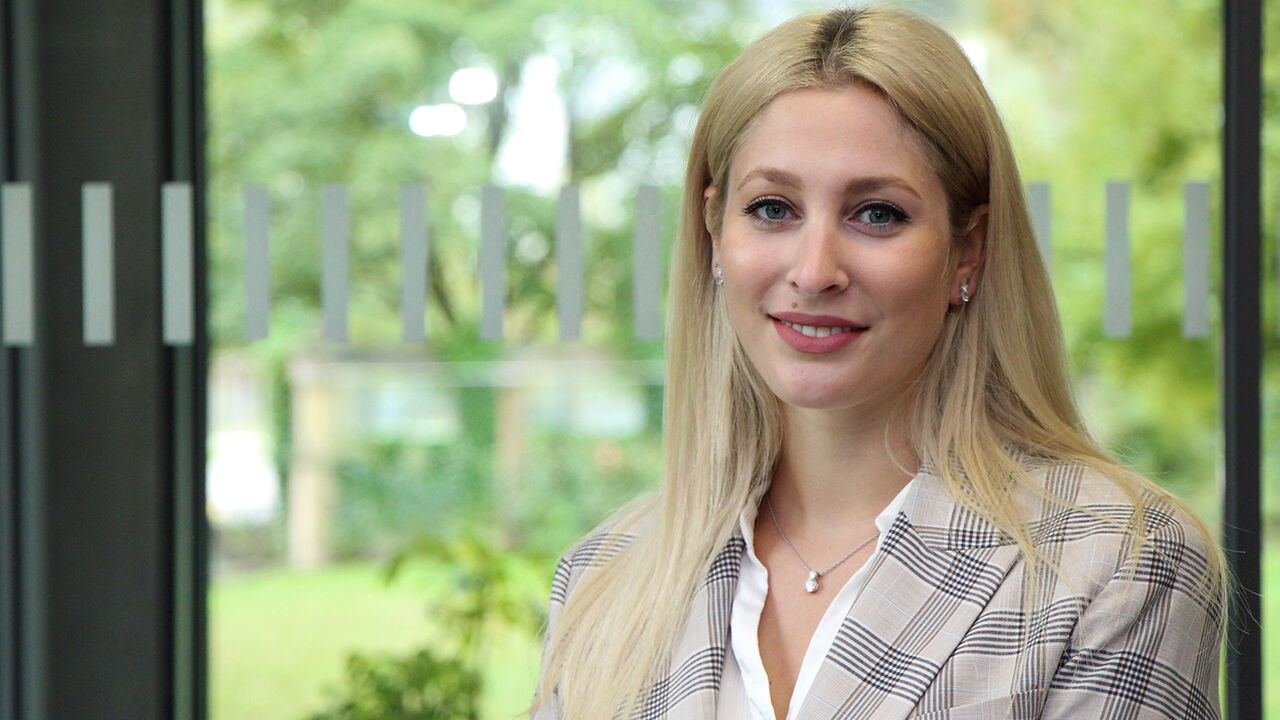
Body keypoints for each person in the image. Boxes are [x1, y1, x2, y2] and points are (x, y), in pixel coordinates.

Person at [530, 5, 1226, 719]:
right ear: (714, 235)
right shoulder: (602, 578)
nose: (814, 271)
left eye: (877, 214)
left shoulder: (1116, 563)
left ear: (968, 250)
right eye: (772, 208)